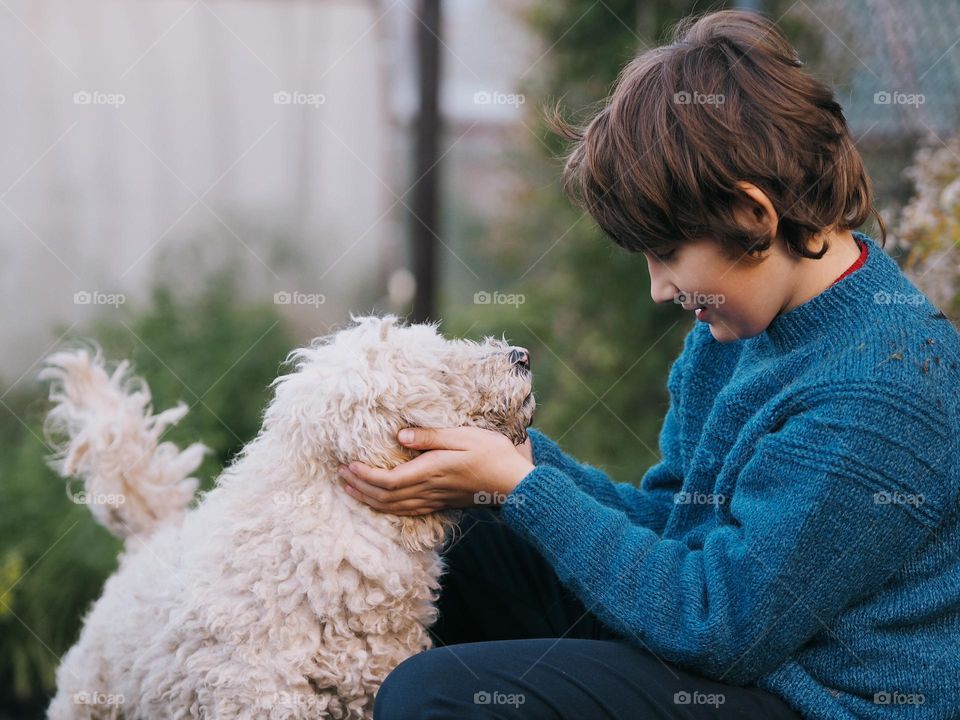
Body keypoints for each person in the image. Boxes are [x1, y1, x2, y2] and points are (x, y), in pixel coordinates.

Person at [339, 9, 960, 719]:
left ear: (752, 215)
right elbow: (672, 526)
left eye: (666, 253)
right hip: (731, 652)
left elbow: (721, 628)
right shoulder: (738, 328)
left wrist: (524, 489)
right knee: (462, 532)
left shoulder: (882, 390)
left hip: (811, 697)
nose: (660, 287)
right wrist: (510, 468)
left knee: (436, 698)